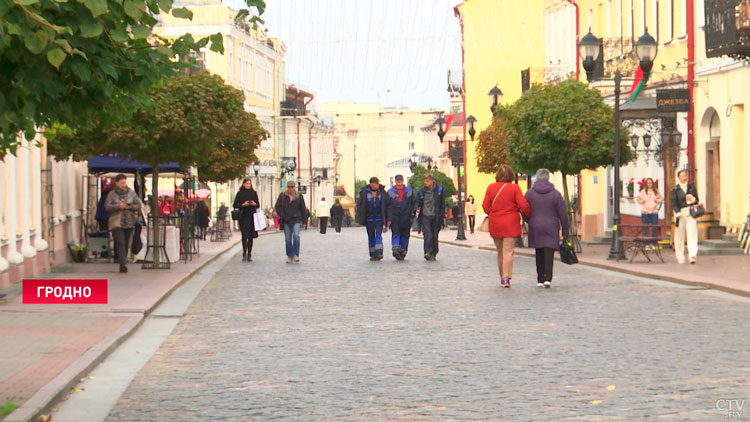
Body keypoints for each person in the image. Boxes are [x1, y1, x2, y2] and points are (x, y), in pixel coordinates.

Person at [482, 164, 530, 287]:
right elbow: (523, 205)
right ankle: (506, 278)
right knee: (508, 251)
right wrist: (529, 214)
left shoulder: (491, 188)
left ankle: (502, 277)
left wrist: (493, 213)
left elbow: (485, 206)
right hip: (510, 223)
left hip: (496, 223)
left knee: (499, 251)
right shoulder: (514, 188)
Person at [524, 168, 568, 289]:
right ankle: (548, 278)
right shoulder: (555, 194)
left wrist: (528, 219)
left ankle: (540, 279)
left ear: (537, 177)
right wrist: (565, 230)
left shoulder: (530, 193)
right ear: (548, 177)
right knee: (549, 252)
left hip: (535, 225)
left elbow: (524, 208)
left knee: (539, 252)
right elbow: (563, 214)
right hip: (551, 226)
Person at [105, 174, 142, 273]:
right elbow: (107, 207)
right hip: (117, 222)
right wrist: (118, 206)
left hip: (129, 221)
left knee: (126, 243)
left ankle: (123, 260)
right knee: (120, 242)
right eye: (121, 183)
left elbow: (138, 205)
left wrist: (131, 207)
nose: (123, 185)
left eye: (124, 182)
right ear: (116, 183)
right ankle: (123, 264)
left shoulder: (131, 193)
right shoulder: (112, 194)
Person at [275, 180, 308, 263]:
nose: (291, 190)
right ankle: (290, 255)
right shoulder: (282, 196)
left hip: (296, 219)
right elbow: (278, 207)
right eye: (289, 188)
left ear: (294, 188)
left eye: (292, 188)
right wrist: (283, 215)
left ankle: (296, 254)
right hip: (286, 220)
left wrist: (304, 221)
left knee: (296, 236)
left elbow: (303, 209)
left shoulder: (299, 197)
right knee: (288, 239)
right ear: (287, 188)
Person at [356, 177, 388, 261]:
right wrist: (358, 219)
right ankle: (373, 253)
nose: (377, 185)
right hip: (368, 218)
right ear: (372, 184)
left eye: (378, 183)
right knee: (371, 236)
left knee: (378, 234)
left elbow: (387, 206)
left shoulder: (382, 192)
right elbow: (359, 206)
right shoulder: (364, 193)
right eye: (376, 183)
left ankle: (379, 252)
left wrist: (388, 219)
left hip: (379, 218)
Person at [671, 169, 699, 264]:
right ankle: (680, 256)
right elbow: (674, 203)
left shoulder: (691, 187)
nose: (683, 177)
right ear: (678, 177)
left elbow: (697, 201)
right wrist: (677, 212)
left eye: (685, 176)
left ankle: (692, 255)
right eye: (681, 176)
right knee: (679, 235)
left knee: (692, 234)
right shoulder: (675, 189)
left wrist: (693, 199)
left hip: (690, 212)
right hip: (680, 214)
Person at [386, 174, 416, 260]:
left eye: (400, 181)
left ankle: (403, 250)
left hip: (406, 215)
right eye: (398, 181)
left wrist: (414, 215)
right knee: (395, 232)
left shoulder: (409, 191)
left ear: (403, 181)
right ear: (395, 181)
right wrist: (388, 217)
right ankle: (395, 248)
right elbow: (387, 205)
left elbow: (414, 203)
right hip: (394, 215)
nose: (399, 183)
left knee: (405, 234)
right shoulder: (390, 192)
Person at [416, 173, 445, 261]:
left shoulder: (439, 190)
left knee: (434, 236)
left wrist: (442, 215)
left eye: (427, 181)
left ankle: (434, 252)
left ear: (432, 181)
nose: (425, 182)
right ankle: (427, 252)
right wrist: (416, 209)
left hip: (436, 216)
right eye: (425, 181)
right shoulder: (422, 191)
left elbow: (442, 204)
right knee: (427, 234)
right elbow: (418, 202)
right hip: (425, 216)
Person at [233, 179, 259, 262]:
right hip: (243, 216)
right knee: (244, 236)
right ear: (243, 184)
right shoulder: (240, 193)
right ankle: (244, 252)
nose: (248, 185)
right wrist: (243, 204)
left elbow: (258, 204)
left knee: (251, 236)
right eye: (247, 183)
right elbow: (235, 205)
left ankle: (249, 253)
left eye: (250, 184)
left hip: (252, 216)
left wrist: (254, 204)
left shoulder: (253, 193)